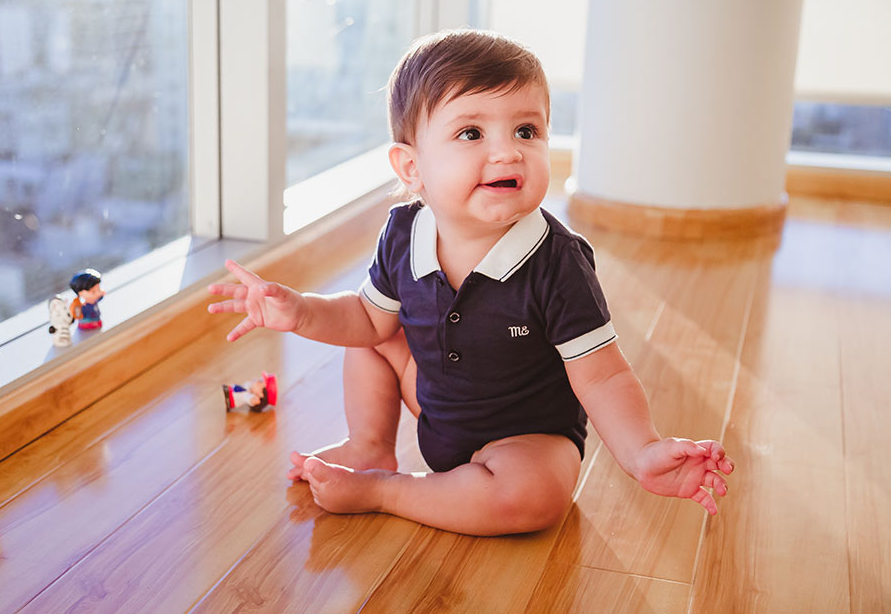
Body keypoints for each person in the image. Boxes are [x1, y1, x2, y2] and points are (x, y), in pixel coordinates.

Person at [207, 29, 734, 536]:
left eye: (526, 131)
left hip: (524, 436)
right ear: (411, 168)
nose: (508, 153)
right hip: (434, 397)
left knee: (535, 498)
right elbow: (366, 320)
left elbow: (602, 378)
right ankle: (371, 447)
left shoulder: (558, 262)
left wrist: (641, 451)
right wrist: (300, 311)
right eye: (471, 133)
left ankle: (385, 491)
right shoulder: (402, 232)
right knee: (371, 336)